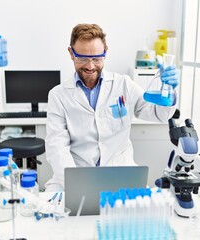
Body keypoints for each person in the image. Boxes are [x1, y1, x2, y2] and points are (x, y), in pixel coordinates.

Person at [45, 23, 179, 191]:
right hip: (76, 173)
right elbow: (56, 147)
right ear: (71, 54)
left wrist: (170, 91)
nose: (90, 66)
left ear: (106, 52)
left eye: (96, 58)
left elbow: (159, 115)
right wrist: (75, 183)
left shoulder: (124, 85)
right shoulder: (58, 95)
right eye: (82, 58)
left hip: (121, 172)